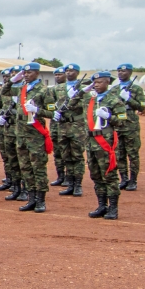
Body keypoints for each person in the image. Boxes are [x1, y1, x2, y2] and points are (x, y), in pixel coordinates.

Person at [0, 62, 56, 213]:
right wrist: (12, 80)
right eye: (24, 73)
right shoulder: (22, 88)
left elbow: (53, 113)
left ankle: (41, 200)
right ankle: (31, 199)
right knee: (25, 168)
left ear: (37, 73)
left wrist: (37, 110)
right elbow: (4, 92)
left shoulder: (44, 91)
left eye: (29, 73)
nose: (26, 75)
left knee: (38, 168)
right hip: (21, 135)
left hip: (35, 136)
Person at [84, 72, 128, 219]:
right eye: (94, 82)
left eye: (99, 82)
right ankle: (102, 205)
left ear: (107, 82)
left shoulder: (114, 100)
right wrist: (84, 89)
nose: (96, 84)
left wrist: (109, 117)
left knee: (109, 175)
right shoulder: (91, 99)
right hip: (91, 142)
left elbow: (123, 121)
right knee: (95, 175)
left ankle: (113, 208)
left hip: (105, 142)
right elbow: (72, 102)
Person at [54, 63, 87, 197]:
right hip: (62, 125)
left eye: (72, 71)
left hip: (76, 126)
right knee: (65, 155)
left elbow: (86, 104)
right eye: (67, 70)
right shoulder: (59, 88)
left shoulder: (84, 89)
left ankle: (78, 185)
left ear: (78, 73)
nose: (68, 73)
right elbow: (51, 102)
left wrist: (75, 97)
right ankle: (70, 183)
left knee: (77, 156)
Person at [114, 63, 145, 191]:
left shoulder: (136, 89)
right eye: (119, 71)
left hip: (130, 124)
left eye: (124, 71)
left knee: (132, 154)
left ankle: (133, 180)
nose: (121, 73)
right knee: (119, 153)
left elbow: (142, 107)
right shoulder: (114, 89)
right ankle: (124, 179)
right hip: (117, 124)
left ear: (130, 73)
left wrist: (129, 99)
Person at [0, 67, 21, 196]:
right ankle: (11, 181)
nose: (7, 78)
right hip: (4, 128)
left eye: (11, 75)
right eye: (5, 76)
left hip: (19, 129)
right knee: (7, 157)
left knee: (20, 158)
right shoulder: (2, 91)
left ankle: (22, 186)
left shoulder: (25, 90)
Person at [49, 67, 68, 188]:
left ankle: (69, 177)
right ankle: (60, 176)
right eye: (56, 75)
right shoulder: (52, 89)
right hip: (55, 123)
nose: (57, 77)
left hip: (67, 124)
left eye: (60, 74)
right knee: (57, 151)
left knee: (67, 151)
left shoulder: (70, 89)